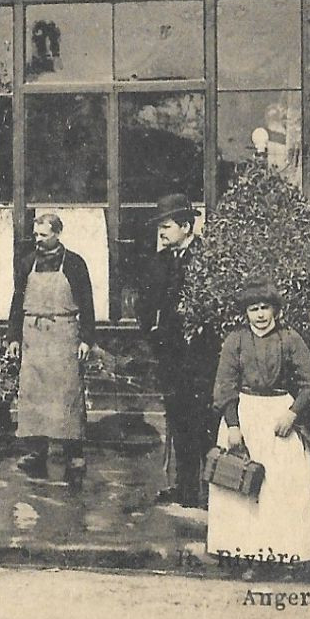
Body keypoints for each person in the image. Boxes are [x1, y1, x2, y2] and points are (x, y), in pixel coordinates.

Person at [208, 277, 310, 577]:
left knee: (284, 485)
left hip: (279, 413)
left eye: (265, 308)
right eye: (253, 309)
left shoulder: (290, 338)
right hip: (245, 414)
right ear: (245, 313)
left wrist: (292, 413)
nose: (260, 315)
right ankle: (248, 556)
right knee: (243, 487)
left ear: (276, 310)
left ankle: (285, 555)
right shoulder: (236, 340)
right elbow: (225, 386)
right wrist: (233, 426)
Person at [6, 212, 94, 484]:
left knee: (67, 393)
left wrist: (87, 339)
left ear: (58, 233)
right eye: (36, 235)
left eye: (44, 235)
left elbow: (88, 304)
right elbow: (16, 302)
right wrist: (13, 338)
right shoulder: (27, 263)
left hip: (64, 334)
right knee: (34, 395)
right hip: (33, 334)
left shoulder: (75, 263)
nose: (38, 239)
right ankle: (36, 450)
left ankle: (73, 452)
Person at [137, 192, 209, 506]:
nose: (162, 232)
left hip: (201, 358)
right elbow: (144, 303)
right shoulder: (161, 260)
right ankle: (184, 487)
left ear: (186, 226)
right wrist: (152, 335)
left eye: (166, 226)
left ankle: (206, 491)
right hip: (170, 357)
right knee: (178, 421)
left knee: (202, 423)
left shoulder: (206, 259)